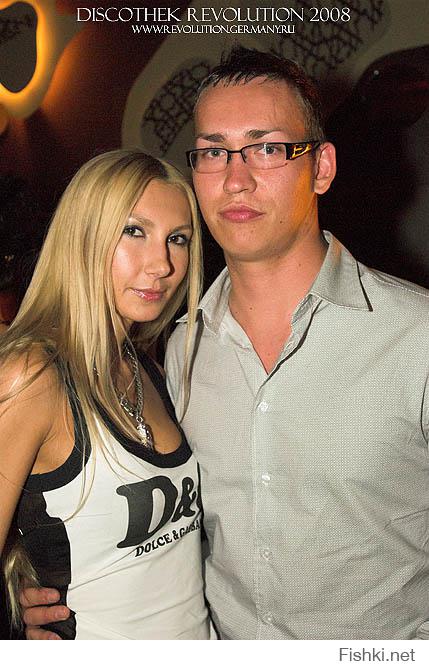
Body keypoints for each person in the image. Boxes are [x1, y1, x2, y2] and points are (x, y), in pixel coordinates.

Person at [21, 46, 429, 640]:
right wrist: (40, 581)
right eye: (214, 151)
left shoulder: (416, 339)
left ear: (321, 168)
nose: (236, 179)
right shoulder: (177, 352)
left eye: (267, 148)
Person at [0, 149, 212, 639]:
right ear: (82, 236)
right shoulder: (31, 376)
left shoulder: (148, 369)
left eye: (177, 239)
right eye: (134, 231)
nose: (162, 264)